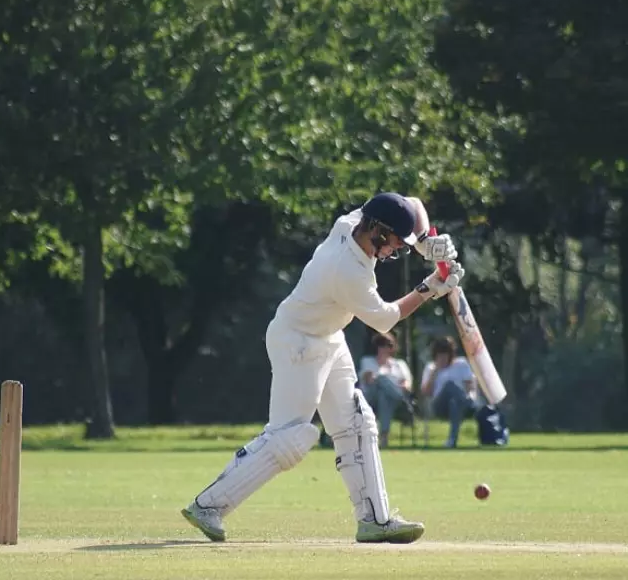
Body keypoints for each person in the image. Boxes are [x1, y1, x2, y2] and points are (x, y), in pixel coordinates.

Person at [181, 192, 465, 544]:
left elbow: (413, 202)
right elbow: (385, 319)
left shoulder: (354, 221)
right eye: (396, 242)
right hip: (298, 342)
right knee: (291, 438)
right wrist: (429, 288)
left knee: (356, 423)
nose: (396, 250)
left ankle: (375, 520)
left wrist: (425, 241)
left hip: (329, 337)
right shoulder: (346, 269)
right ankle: (207, 505)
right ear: (378, 231)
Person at [420, 336, 478, 448]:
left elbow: (470, 387)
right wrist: (434, 373)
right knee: (449, 385)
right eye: (440, 355)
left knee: (454, 403)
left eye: (445, 355)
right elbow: (426, 392)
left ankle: (452, 440)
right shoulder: (430, 368)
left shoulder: (461, 364)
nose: (442, 358)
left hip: (460, 406)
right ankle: (466, 402)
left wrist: (468, 397)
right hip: (440, 406)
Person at [358, 331, 413, 448]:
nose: (385, 349)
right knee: (381, 379)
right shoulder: (367, 361)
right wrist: (382, 374)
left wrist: (401, 385)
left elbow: (406, 384)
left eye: (389, 346)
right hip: (370, 399)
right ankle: (400, 400)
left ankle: (383, 436)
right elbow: (369, 380)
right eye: (382, 345)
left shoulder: (399, 364)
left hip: (390, 401)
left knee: (384, 397)